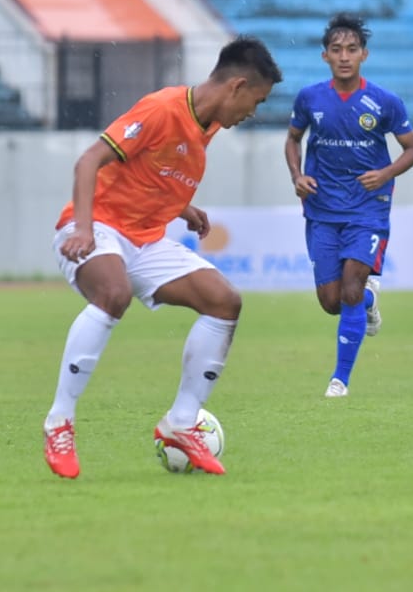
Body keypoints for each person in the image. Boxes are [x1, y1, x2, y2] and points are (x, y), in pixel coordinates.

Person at [42, 34, 283, 479]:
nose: (253, 112)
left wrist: (184, 208)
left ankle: (181, 423)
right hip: (96, 227)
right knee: (113, 294)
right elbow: (89, 161)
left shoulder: (208, 125)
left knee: (224, 300)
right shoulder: (162, 109)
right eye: (257, 100)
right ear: (237, 86)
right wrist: (81, 227)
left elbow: (151, 171)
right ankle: (59, 421)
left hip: (144, 239)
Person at [284, 13, 413, 398]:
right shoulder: (310, 98)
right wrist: (297, 175)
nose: (344, 56)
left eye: (352, 49)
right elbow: (292, 140)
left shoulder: (384, 101)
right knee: (332, 301)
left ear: (365, 54)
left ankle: (339, 380)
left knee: (350, 288)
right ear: (325, 55)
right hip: (322, 209)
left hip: (368, 208)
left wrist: (385, 173)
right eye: (336, 50)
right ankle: (370, 301)